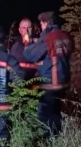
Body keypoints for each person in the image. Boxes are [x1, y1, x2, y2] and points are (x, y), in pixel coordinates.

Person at [24, 11, 74, 139]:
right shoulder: (65, 36)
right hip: (64, 82)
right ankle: (57, 140)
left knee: (43, 114)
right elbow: (56, 55)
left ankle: (47, 143)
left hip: (50, 83)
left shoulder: (49, 37)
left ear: (44, 23)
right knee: (55, 113)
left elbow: (30, 55)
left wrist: (29, 42)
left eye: (41, 24)